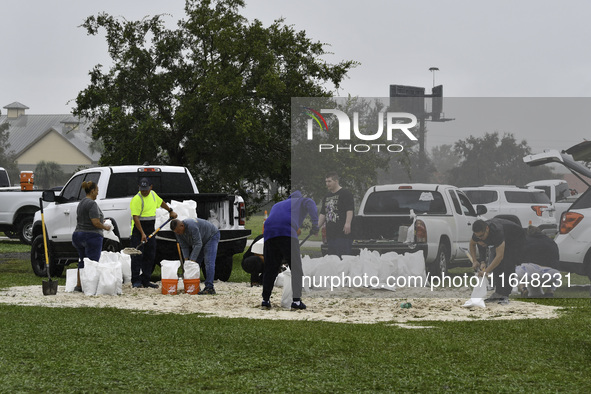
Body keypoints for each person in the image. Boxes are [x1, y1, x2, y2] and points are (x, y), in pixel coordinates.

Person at [261, 190, 319, 310]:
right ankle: (296, 302)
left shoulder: (277, 205)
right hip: (287, 232)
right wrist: (315, 225)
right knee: (296, 268)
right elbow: (311, 204)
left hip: (269, 233)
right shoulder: (302, 201)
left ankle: (265, 300)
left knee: (270, 268)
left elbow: (277, 220)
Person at [130, 177, 177, 289]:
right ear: (139, 188)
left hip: (150, 230)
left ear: (151, 187)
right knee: (137, 257)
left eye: (146, 189)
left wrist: (170, 211)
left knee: (150, 256)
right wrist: (142, 233)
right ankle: (136, 281)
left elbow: (161, 203)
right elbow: (136, 218)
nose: (144, 191)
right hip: (138, 231)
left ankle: (146, 280)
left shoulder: (153, 195)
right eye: (142, 189)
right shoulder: (136, 199)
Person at [469, 218, 526, 305]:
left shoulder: (497, 232)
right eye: (477, 236)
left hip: (515, 237)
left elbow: (499, 257)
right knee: (497, 266)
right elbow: (472, 244)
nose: (479, 238)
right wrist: (475, 261)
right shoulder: (478, 234)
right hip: (502, 238)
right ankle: (498, 292)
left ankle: (505, 294)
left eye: (481, 236)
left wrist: (486, 271)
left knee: (507, 263)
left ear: (487, 229)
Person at [72, 181, 111, 292]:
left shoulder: (81, 203)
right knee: (93, 262)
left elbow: (85, 219)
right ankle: (91, 287)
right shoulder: (92, 204)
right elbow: (95, 222)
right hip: (91, 236)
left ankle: (79, 286)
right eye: (97, 190)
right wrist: (105, 227)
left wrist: (99, 221)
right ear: (92, 190)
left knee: (82, 260)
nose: (97, 193)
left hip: (78, 235)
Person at [170, 218, 220, 295]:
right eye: (176, 232)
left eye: (179, 231)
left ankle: (210, 287)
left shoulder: (192, 226)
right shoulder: (177, 232)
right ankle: (194, 285)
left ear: (182, 225)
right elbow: (184, 246)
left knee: (208, 262)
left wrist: (191, 260)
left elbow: (198, 244)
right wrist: (187, 261)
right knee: (195, 263)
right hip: (201, 239)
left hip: (211, 236)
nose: (178, 234)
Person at [317, 172, 354, 258]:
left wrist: (348, 223)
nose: (327, 184)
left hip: (342, 234)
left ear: (336, 181)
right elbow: (323, 213)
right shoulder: (327, 196)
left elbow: (349, 210)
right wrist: (317, 227)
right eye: (326, 181)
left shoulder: (345, 193)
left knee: (343, 259)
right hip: (331, 234)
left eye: (329, 181)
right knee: (333, 260)